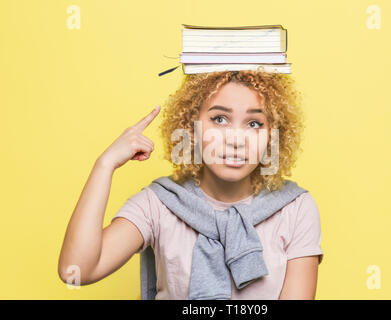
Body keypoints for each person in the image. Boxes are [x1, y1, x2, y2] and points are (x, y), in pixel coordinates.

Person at [58, 70, 324, 299]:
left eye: (254, 123)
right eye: (219, 119)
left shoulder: (296, 209)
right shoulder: (159, 204)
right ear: (191, 126)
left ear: (272, 136)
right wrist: (104, 165)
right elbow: (77, 270)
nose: (236, 139)